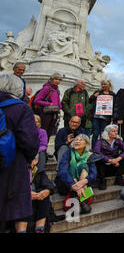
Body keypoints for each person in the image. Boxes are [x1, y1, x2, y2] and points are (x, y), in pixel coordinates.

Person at [0, 74, 39, 233]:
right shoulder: (21, 107)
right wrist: (31, 158)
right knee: (17, 205)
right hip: (13, 163)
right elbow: (29, 141)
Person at [55, 134, 99, 215]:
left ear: (86, 144)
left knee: (84, 166)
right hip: (67, 184)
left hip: (83, 183)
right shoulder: (68, 153)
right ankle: (82, 200)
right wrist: (74, 185)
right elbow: (63, 171)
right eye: (76, 140)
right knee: (73, 166)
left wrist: (83, 182)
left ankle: (78, 200)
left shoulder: (90, 155)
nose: (77, 141)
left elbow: (94, 173)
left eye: (80, 140)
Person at [22, 154, 56, 233]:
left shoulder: (38, 171)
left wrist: (46, 192)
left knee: (44, 193)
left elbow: (49, 185)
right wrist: (26, 194)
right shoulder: (18, 172)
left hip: (37, 203)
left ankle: (40, 229)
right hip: (21, 203)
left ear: (36, 161)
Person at [93, 124, 124, 190]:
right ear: (107, 132)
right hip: (104, 167)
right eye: (113, 131)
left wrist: (118, 159)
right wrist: (110, 160)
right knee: (98, 159)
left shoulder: (117, 140)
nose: (116, 133)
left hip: (115, 166)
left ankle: (118, 178)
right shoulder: (101, 141)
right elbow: (97, 152)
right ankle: (102, 181)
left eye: (116, 131)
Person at [34, 73, 63, 140]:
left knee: (49, 132)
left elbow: (58, 102)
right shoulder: (46, 88)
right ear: (51, 79)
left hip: (54, 113)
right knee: (43, 131)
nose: (57, 81)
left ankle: (44, 148)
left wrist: (60, 107)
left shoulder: (56, 90)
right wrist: (49, 104)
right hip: (46, 114)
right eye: (56, 79)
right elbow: (37, 100)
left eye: (59, 80)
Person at [89, 80, 115, 150]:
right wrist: (94, 96)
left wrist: (112, 116)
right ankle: (94, 149)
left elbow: (114, 106)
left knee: (103, 134)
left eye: (105, 84)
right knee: (95, 133)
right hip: (96, 116)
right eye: (102, 84)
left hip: (106, 118)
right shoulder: (98, 92)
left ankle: (101, 149)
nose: (103, 86)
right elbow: (90, 100)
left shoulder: (112, 94)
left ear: (109, 85)